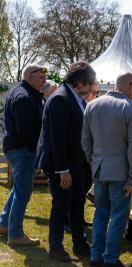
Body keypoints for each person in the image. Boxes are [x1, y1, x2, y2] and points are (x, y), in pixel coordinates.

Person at [36, 61, 95, 262]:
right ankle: (56, 247)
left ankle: (80, 244)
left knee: (77, 204)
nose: (92, 86)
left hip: (75, 162)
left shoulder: (75, 97)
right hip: (62, 165)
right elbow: (56, 139)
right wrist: (63, 170)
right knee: (61, 206)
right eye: (91, 82)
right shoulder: (60, 99)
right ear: (80, 82)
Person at [82, 72, 132, 267]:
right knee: (117, 217)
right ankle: (109, 260)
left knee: (100, 213)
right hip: (121, 172)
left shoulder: (92, 105)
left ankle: (95, 257)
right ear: (130, 85)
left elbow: (85, 142)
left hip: (99, 169)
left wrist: (93, 163)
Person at [0, 64, 46, 246]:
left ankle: (4, 224)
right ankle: (16, 234)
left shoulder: (25, 93)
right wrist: (35, 150)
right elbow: (25, 131)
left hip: (19, 149)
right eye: (40, 74)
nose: (44, 78)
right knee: (23, 192)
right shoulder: (24, 97)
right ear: (29, 75)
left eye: (44, 75)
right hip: (23, 150)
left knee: (18, 189)